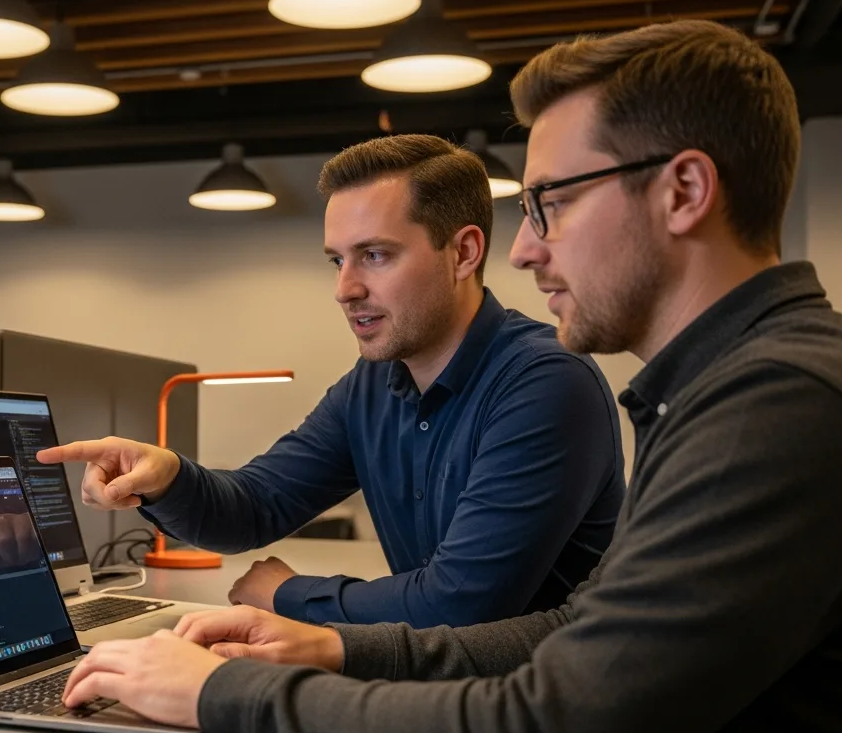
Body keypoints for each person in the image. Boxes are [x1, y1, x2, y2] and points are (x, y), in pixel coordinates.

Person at [54, 19, 842, 733]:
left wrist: (217, 692)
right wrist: (332, 649)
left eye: (551, 202)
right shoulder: (732, 388)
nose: (525, 250)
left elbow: (550, 724)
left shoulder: (778, 408)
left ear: (684, 191)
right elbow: (573, 635)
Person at [39, 134, 626, 630]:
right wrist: (167, 478)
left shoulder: (545, 383)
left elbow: (462, 603)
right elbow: (255, 507)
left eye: (375, 255)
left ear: (464, 252)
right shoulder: (373, 384)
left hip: (543, 714)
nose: (345, 289)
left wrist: (286, 593)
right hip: (443, 689)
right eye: (337, 260)